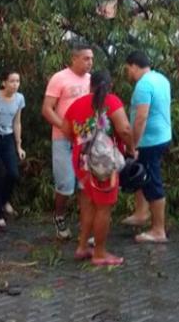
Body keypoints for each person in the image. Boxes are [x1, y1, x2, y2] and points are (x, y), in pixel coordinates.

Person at [63, 71, 136, 266]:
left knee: (88, 203)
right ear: (110, 85)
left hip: (81, 161)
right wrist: (131, 148)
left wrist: (81, 143)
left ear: (90, 86)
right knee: (104, 207)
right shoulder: (111, 101)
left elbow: (66, 130)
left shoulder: (77, 104)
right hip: (103, 164)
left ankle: (82, 246)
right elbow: (125, 129)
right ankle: (100, 253)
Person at [42, 43, 93, 240]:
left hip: (85, 139)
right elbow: (47, 109)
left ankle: (86, 225)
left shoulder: (90, 80)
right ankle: (60, 215)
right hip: (63, 140)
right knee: (65, 184)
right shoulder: (59, 78)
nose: (89, 63)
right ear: (74, 59)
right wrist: (65, 128)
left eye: (91, 59)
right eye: (86, 58)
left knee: (85, 184)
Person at [123, 51, 172, 243]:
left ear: (134, 66)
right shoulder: (161, 78)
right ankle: (141, 213)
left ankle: (158, 230)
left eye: (128, 69)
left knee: (152, 181)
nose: (128, 73)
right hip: (162, 135)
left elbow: (141, 117)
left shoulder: (143, 85)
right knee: (140, 174)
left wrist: (133, 143)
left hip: (149, 140)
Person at [0, 70, 26, 229]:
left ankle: (4, 201)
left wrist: (18, 145)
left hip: (8, 137)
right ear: (4, 83)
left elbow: (17, 122)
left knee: (13, 173)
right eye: (12, 81)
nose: (15, 84)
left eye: (17, 81)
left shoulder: (19, 99)